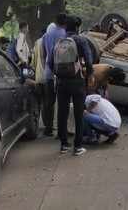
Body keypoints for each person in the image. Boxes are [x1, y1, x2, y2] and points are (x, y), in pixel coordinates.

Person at [52, 16, 93, 155]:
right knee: (78, 114)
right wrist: (88, 75)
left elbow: (51, 63)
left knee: (62, 113)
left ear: (65, 27)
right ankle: (78, 147)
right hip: (77, 82)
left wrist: (59, 75)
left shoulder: (59, 42)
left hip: (61, 82)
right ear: (77, 27)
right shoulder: (81, 40)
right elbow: (88, 60)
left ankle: (64, 145)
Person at [42, 13, 68, 136]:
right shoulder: (65, 34)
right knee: (63, 102)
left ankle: (48, 128)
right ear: (64, 23)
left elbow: (44, 53)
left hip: (48, 71)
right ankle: (61, 130)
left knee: (49, 102)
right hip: (62, 72)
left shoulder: (46, 35)